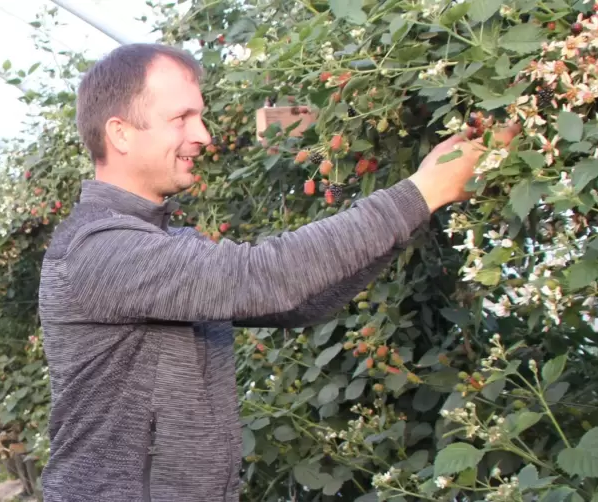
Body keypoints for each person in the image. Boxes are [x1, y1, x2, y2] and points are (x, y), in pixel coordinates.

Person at [37, 43, 520, 502]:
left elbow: (296, 300)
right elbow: (266, 274)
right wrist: (421, 192)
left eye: (200, 116)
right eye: (182, 118)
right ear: (120, 132)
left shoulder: (162, 245)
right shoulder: (98, 251)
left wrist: (424, 202)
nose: (203, 135)